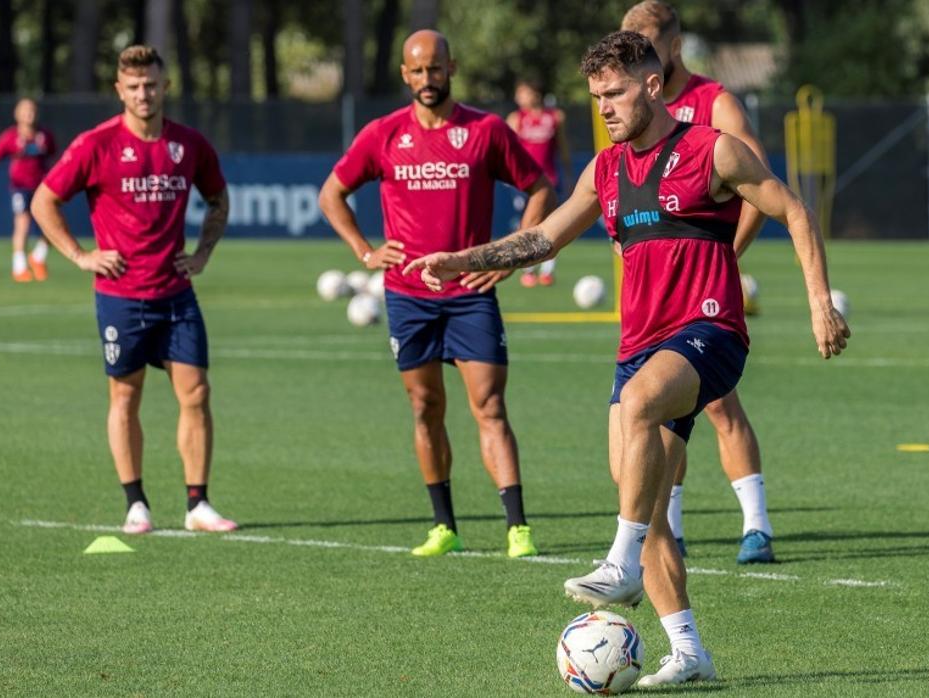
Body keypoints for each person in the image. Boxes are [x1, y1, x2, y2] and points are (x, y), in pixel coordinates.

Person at [405, 31, 848, 684]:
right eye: (595, 97)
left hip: (709, 334)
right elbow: (544, 237)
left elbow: (795, 212)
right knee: (641, 494)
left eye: (613, 93)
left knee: (639, 420)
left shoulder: (712, 151)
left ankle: (619, 563)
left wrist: (820, 304)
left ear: (650, 83)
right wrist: (463, 259)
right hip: (639, 346)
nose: (604, 108)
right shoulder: (605, 170)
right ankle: (689, 649)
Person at [318, 30, 555, 559]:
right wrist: (363, 250)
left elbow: (540, 188)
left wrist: (513, 256)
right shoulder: (382, 134)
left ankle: (517, 527)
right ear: (405, 74)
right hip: (407, 295)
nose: (428, 80)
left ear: (452, 67)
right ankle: (444, 526)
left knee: (489, 405)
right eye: (418, 71)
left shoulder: (487, 130)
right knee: (425, 407)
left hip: (470, 292)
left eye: (436, 69)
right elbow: (332, 193)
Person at [30, 45, 236, 534]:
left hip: (177, 294)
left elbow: (218, 198)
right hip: (121, 296)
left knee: (197, 393)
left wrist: (204, 253)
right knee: (125, 395)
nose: (144, 93)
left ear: (165, 87)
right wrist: (82, 256)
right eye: (134, 86)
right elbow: (44, 201)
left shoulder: (189, 145)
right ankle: (136, 503)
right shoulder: (95, 144)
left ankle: (197, 505)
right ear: (119, 90)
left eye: (151, 84)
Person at [622, 0, 775, 563]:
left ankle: (756, 527)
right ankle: (671, 527)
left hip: (703, 290)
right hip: (650, 290)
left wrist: (726, 253)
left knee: (718, 405)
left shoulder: (714, 102)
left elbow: (763, 182)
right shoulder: (628, 102)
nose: (633, 63)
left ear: (674, 46)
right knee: (658, 415)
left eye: (645, 49)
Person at [0, 98, 58, 282]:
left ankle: (37, 257)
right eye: (25, 110)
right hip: (20, 187)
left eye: (32, 110)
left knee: (52, 224)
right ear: (17, 114)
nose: (30, 114)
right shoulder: (10, 136)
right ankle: (19, 267)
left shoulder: (45, 136)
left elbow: (55, 159)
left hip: (42, 189)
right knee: (22, 222)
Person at [507, 79, 570, 287]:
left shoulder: (555, 117)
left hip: (551, 181)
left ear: (535, 93)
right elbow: (508, 153)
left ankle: (547, 271)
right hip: (525, 183)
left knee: (552, 224)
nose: (519, 98)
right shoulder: (516, 119)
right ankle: (528, 269)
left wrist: (569, 177)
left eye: (523, 92)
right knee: (527, 225)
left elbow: (563, 150)